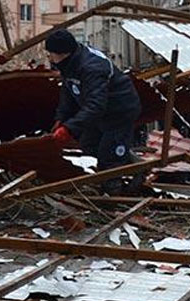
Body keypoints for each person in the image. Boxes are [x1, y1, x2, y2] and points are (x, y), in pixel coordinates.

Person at [46, 29, 143, 194]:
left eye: (51, 54)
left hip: (119, 111)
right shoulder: (70, 64)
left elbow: (96, 105)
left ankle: (114, 192)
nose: (49, 57)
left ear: (62, 53)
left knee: (108, 158)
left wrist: (69, 128)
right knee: (89, 145)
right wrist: (61, 119)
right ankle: (131, 162)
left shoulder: (92, 68)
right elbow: (68, 94)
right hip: (100, 112)